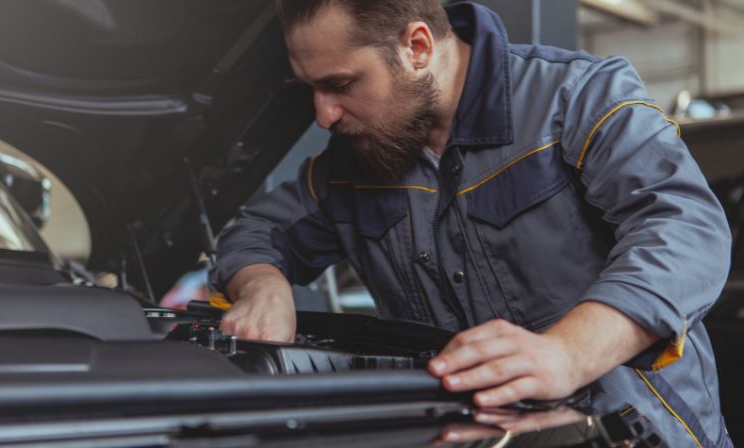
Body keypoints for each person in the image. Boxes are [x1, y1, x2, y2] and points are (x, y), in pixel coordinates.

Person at [210, 1, 733, 446]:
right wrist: (263, 285)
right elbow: (257, 231)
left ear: (416, 47)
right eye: (311, 90)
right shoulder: (351, 166)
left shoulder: (577, 97)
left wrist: (568, 352)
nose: (323, 115)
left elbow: (686, 231)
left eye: (340, 84)